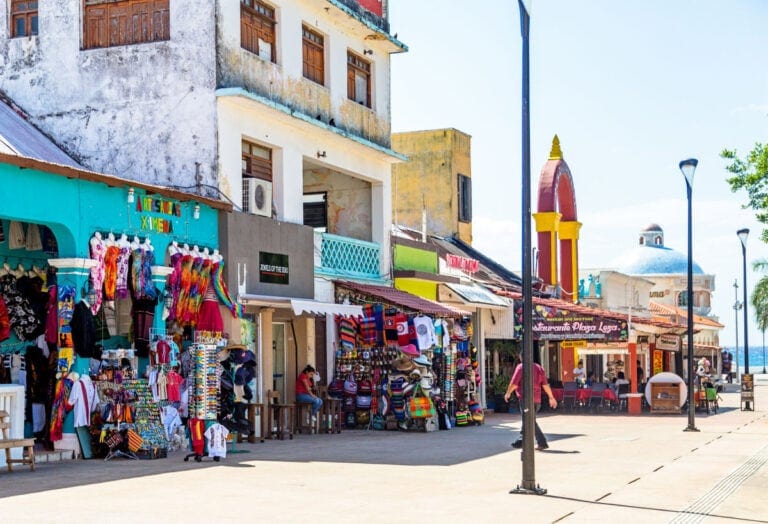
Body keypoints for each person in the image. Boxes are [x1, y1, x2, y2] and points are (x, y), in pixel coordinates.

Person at [504, 356, 558, 451]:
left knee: (528, 419)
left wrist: (508, 393)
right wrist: (551, 397)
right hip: (537, 399)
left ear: (521, 357)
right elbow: (545, 384)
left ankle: (523, 439)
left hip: (525, 399)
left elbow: (514, 383)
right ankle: (541, 442)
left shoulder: (521, 367)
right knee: (530, 420)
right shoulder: (538, 367)